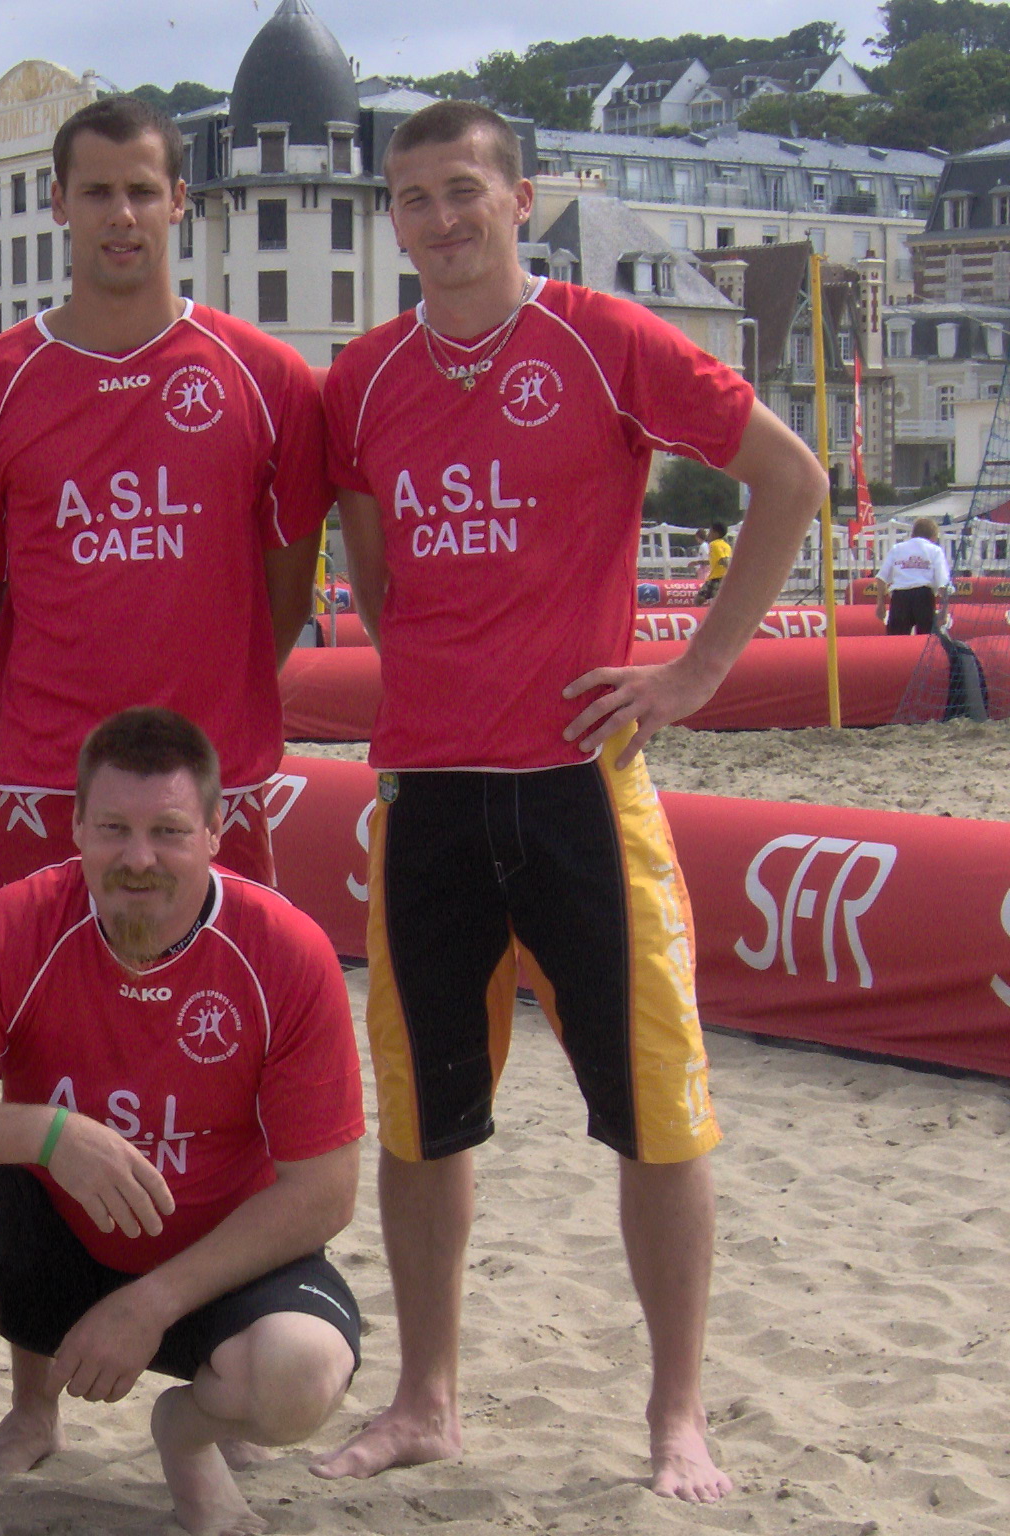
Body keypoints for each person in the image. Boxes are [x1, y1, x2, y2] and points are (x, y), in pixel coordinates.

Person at [315, 101, 827, 1504]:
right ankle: (425, 1399)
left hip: (582, 791)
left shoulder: (603, 342)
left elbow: (790, 478)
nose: (440, 219)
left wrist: (697, 670)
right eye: (412, 199)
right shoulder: (361, 380)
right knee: (424, 1122)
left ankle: (677, 1416)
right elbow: (371, 557)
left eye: (464, 191)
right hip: (424, 793)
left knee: (656, 1114)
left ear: (519, 199)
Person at [0, 708, 366, 1536]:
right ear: (76, 829)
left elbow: (327, 1192)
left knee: (299, 1378)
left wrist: (153, 1302)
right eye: (114, 829)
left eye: (168, 831)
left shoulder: (285, 949)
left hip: (210, 1264)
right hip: (58, 1257)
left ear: (215, 831)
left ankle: (187, 1436)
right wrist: (49, 1136)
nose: (138, 858)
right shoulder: (22, 921)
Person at [0, 94, 329, 895]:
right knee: (43, 1015)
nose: (122, 215)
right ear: (59, 203)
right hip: (46, 775)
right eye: (98, 193)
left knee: (219, 1010)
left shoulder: (266, 377)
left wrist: (220, 683)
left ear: (179, 200)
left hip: (215, 771)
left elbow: (283, 596)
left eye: (142, 191)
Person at [875, 515, 954, 635]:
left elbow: (881, 578)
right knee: (926, 640)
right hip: (923, 596)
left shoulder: (897, 549)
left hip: (900, 597)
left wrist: (880, 603)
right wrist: (944, 611)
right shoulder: (934, 550)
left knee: (896, 641)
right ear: (933, 537)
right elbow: (943, 584)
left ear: (912, 535)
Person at [696, 522, 732, 604]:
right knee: (703, 599)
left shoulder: (714, 544)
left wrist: (731, 572)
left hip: (717, 578)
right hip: (720, 576)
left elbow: (723, 559)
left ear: (716, 534)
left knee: (700, 600)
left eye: (710, 532)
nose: (708, 535)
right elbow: (717, 560)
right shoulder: (727, 545)